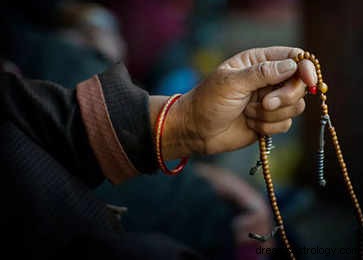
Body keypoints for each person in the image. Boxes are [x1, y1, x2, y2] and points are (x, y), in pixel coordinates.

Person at [0, 46, 316, 259]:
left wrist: (179, 127)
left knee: (262, 224)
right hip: (34, 184)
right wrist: (176, 127)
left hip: (45, 121)